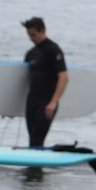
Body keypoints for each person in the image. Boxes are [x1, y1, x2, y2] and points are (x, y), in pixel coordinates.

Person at [21, 17, 68, 148]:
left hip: (47, 101)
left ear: (43, 31)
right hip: (32, 101)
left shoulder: (53, 50)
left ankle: (36, 167)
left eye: (34, 35)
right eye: (29, 35)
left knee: (37, 139)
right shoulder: (31, 53)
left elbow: (64, 77)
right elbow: (23, 80)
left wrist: (53, 102)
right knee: (32, 140)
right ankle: (33, 167)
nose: (31, 38)